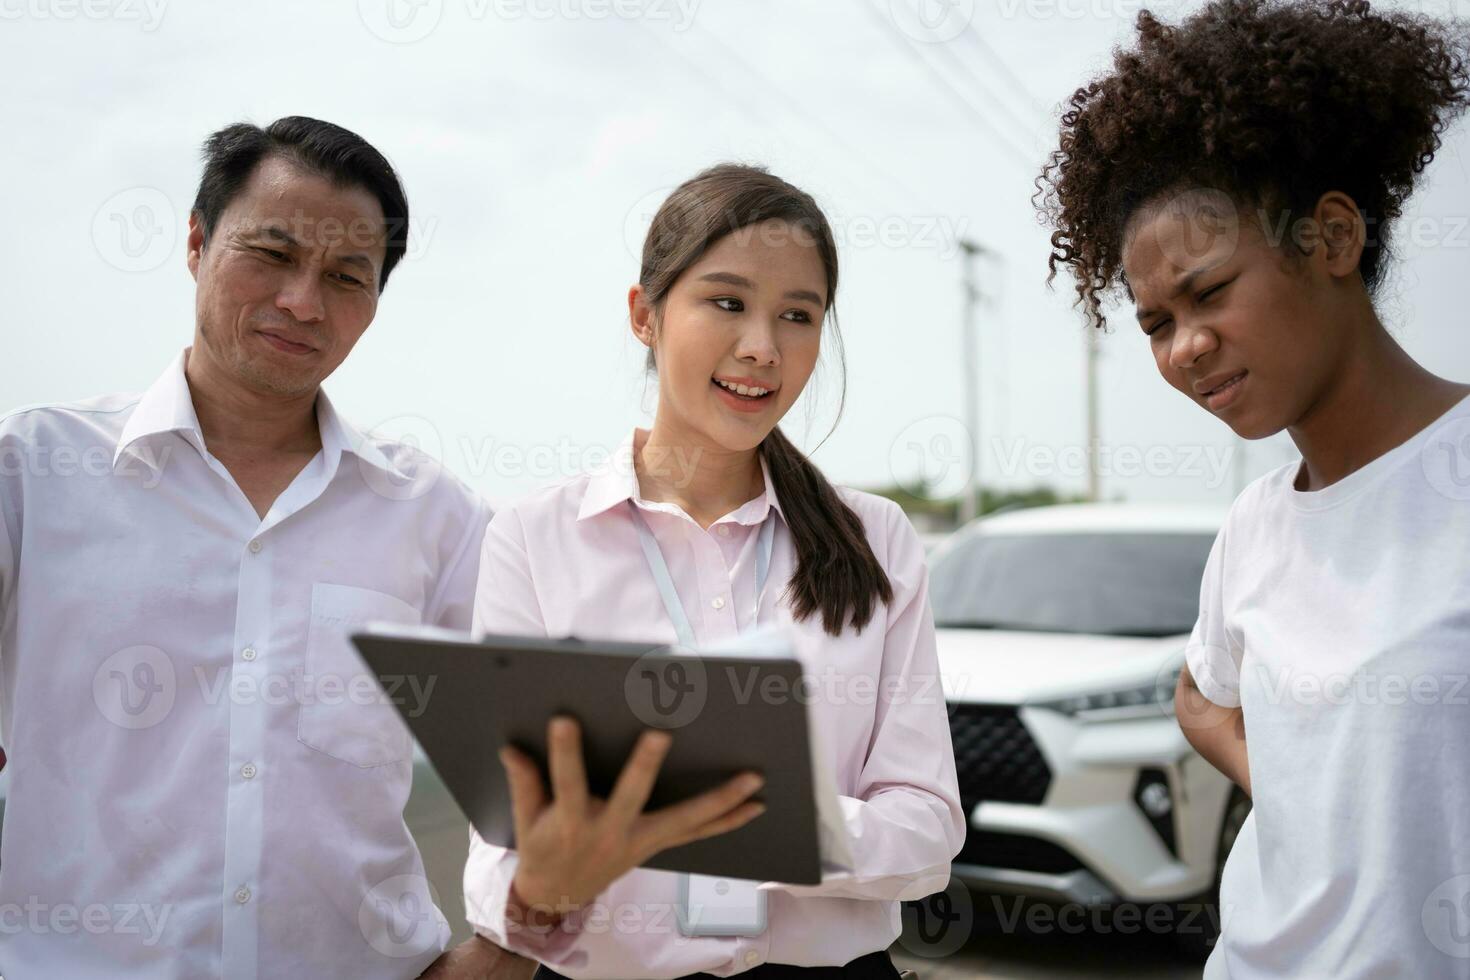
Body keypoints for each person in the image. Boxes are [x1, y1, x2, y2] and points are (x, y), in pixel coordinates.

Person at [0, 116, 525, 979]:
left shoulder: (434, 514)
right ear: (198, 243)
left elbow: (554, 747)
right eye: (273, 255)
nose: (303, 302)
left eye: (346, 276)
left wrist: (512, 947)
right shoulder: (34, 472)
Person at [1036, 1, 1470, 975]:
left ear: (1331, 237)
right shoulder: (1254, 525)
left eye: (1210, 291)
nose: (1185, 347)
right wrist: (1310, 787)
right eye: (1154, 323)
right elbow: (1202, 694)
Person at [459, 164, 964, 979]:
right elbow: (502, 838)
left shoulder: (876, 539)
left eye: (797, 316)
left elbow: (928, 831)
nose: (763, 347)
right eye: (727, 303)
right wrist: (534, 893)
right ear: (644, 316)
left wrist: (743, 816)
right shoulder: (534, 537)